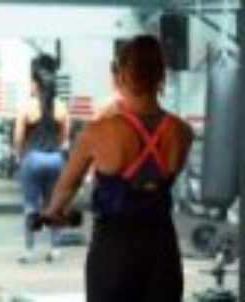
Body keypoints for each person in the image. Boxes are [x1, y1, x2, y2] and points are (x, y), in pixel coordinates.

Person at [44, 35, 194, 302]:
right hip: (162, 249)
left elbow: (67, 186)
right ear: (161, 74)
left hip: (114, 250)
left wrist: (53, 212)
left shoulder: (97, 132)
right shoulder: (183, 132)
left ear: (121, 75)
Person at [14, 54, 69, 263]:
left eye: (31, 82)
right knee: (54, 205)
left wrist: (20, 155)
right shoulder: (62, 107)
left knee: (30, 205)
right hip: (55, 159)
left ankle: (29, 251)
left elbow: (19, 137)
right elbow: (64, 138)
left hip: (33, 158)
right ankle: (55, 250)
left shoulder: (26, 107)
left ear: (36, 85)